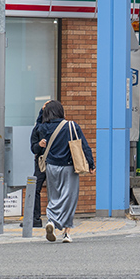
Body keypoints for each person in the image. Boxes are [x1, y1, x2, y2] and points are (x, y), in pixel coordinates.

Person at [37, 100, 94, 244]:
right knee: (69, 199)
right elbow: (84, 146)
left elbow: (37, 127)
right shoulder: (71, 126)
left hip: (51, 167)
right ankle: (66, 233)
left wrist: (40, 111)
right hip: (69, 167)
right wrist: (91, 164)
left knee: (54, 196)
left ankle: (51, 221)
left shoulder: (45, 128)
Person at [29, 100, 61, 227]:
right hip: (43, 162)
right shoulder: (39, 128)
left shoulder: (59, 127)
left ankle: (54, 219)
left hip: (54, 162)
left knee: (55, 190)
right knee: (37, 188)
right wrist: (39, 145)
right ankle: (36, 218)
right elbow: (33, 148)